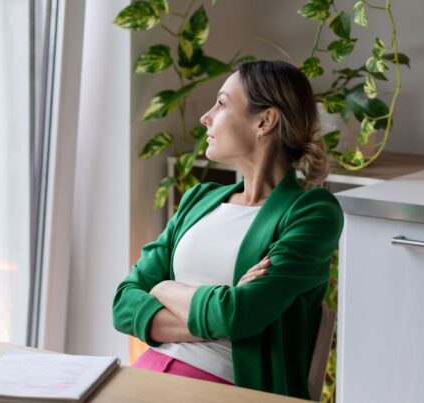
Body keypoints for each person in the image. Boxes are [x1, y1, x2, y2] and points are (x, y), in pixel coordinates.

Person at [112, 60, 344, 399]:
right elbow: (123, 304)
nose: (206, 117)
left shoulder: (311, 213)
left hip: (230, 388)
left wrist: (162, 288)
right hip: (148, 374)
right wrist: (216, 313)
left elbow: (237, 315)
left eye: (221, 104)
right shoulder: (198, 199)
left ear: (264, 121)